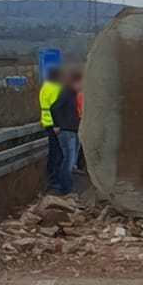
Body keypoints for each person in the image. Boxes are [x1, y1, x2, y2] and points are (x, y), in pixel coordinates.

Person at [48, 67, 81, 196]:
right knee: (68, 160)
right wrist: (57, 125)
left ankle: (68, 188)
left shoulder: (73, 94)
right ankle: (66, 189)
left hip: (73, 129)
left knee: (71, 160)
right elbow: (54, 108)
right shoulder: (66, 93)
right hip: (66, 130)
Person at [39, 66, 65, 195]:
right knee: (58, 153)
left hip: (47, 122)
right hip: (56, 125)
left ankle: (52, 178)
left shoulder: (45, 87)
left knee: (53, 152)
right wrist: (58, 124)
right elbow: (57, 108)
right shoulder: (56, 88)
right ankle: (55, 180)